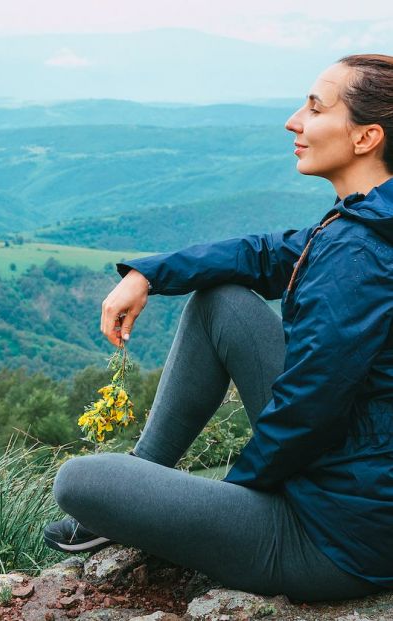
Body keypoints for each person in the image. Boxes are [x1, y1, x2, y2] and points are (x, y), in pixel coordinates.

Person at [43, 54, 393, 603]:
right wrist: (149, 274)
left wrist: (226, 503)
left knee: (79, 482)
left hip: (339, 540)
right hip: (358, 480)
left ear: (366, 137)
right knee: (220, 301)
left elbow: (308, 409)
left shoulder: (359, 254)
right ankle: (147, 470)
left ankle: (147, 488)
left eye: (315, 107)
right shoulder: (371, 219)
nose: (294, 121)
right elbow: (264, 254)